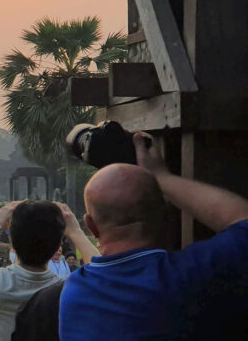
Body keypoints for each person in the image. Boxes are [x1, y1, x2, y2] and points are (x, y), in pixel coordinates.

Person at [59, 133, 248, 340]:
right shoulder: (190, 276)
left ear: (92, 227)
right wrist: (163, 178)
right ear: (165, 214)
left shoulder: (75, 292)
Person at [0, 201, 98, 341]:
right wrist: (76, 232)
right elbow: (102, 270)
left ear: (11, 241)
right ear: (58, 246)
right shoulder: (69, 291)